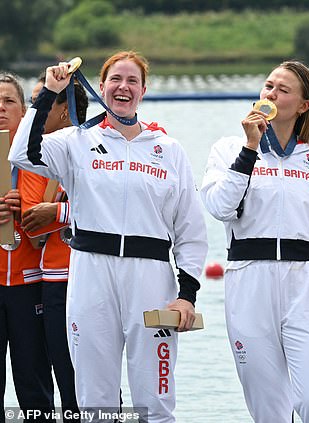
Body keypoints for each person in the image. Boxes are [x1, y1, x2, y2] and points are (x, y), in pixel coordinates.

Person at [9, 52, 208, 422]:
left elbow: (191, 232)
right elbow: (21, 153)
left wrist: (186, 296)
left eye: (132, 81)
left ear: (143, 91)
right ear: (101, 87)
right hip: (91, 276)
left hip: (151, 278)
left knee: (156, 400)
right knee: (95, 401)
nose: (123, 87)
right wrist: (50, 93)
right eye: (116, 79)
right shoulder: (75, 141)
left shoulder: (169, 150)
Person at [201, 61, 309, 423]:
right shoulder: (228, 149)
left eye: (283, 90)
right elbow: (221, 207)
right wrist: (249, 149)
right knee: (269, 411)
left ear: (303, 106)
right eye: (268, 86)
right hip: (249, 282)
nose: (270, 94)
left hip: (308, 286)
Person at [16, 75, 89, 422]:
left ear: (64, 110)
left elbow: (123, 212)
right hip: (55, 278)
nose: (37, 109)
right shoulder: (36, 155)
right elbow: (33, 224)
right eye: (34, 102)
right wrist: (69, 211)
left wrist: (59, 210)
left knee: (93, 381)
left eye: (43, 102)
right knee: (64, 376)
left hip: (96, 274)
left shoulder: (100, 145)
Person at [1, 72, 55, 421]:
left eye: (9, 102)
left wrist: (30, 213)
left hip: (30, 285)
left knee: (33, 383)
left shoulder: (43, 158)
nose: (0, 109)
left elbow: (65, 223)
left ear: (24, 112)